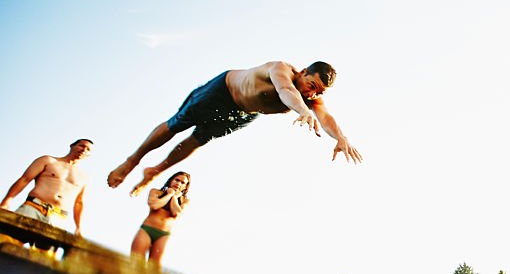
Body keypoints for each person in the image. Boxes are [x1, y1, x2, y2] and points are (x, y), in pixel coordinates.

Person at [107, 60, 363, 196]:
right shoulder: (281, 69)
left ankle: (155, 170)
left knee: (198, 140)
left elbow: (326, 116)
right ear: (304, 71)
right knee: (177, 124)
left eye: (318, 92)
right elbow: (286, 91)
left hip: (242, 113)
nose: (311, 93)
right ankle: (132, 160)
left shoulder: (312, 99)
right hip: (222, 91)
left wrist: (340, 137)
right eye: (311, 84)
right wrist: (304, 111)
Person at [1, 138, 92, 235]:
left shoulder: (83, 176)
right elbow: (25, 179)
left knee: (45, 249)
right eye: (81, 146)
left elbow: (79, 202)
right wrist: (6, 201)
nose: (84, 150)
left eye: (88, 149)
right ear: (72, 146)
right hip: (34, 207)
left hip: (59, 216)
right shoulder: (48, 161)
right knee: (9, 239)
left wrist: (78, 227)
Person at [130, 171, 190, 268]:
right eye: (177, 180)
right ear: (171, 180)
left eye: (182, 182)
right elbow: (154, 205)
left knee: (154, 269)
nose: (178, 183)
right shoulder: (155, 192)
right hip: (146, 230)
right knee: (136, 264)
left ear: (185, 187)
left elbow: (177, 213)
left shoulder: (184, 201)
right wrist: (169, 195)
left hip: (163, 235)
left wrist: (174, 197)